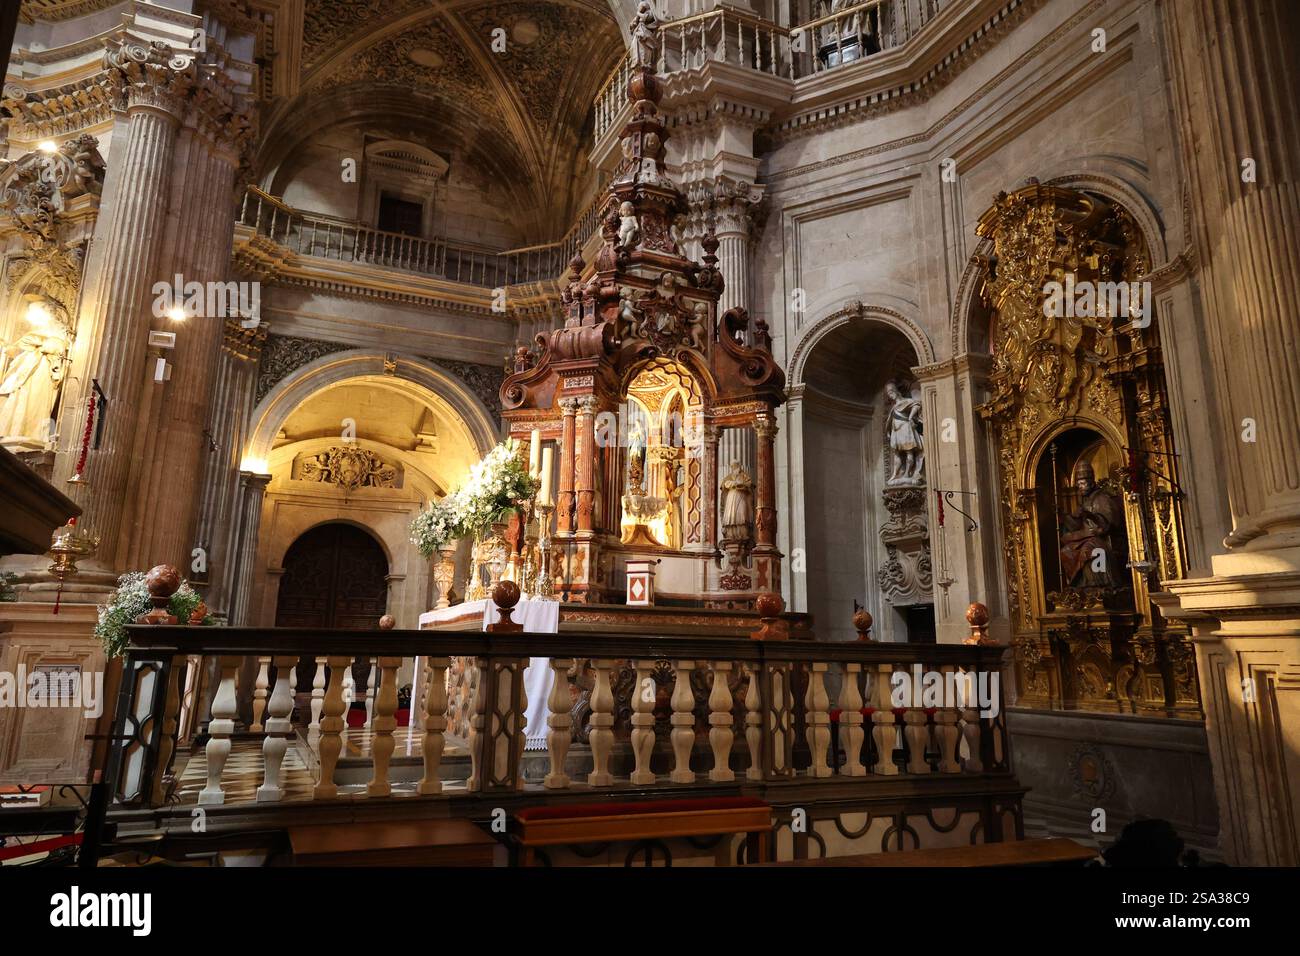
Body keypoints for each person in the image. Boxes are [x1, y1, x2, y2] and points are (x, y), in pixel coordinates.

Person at [1059, 460, 1126, 588]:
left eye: (1083, 483)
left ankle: (1100, 584)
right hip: (1087, 537)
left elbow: (1110, 523)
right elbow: (1075, 526)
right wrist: (1064, 516)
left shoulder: (1103, 498)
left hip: (1104, 539)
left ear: (1091, 482)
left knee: (1091, 549)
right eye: (1078, 484)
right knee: (1067, 550)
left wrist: (1092, 516)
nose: (1080, 487)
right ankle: (1082, 584)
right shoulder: (1084, 502)